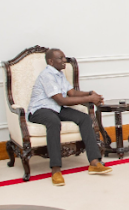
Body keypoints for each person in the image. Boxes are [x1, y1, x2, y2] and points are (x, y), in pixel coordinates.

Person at [27, 48, 112, 186]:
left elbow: (71, 93)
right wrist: (90, 98)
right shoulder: (47, 75)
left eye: (64, 57)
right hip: (39, 110)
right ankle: (55, 170)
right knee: (54, 122)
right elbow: (61, 100)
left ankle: (94, 162)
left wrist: (89, 93)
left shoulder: (59, 74)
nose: (64, 60)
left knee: (84, 118)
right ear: (51, 61)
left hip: (56, 108)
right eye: (60, 58)